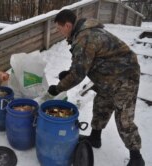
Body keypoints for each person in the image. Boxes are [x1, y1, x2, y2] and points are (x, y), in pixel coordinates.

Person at [48, 9, 145, 166]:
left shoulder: (85, 37)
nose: (59, 33)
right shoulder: (81, 34)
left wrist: (58, 88)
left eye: (59, 29)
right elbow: (83, 63)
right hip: (108, 76)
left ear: (67, 25)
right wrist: (69, 72)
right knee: (101, 105)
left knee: (123, 119)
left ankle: (136, 158)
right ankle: (95, 137)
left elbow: (78, 74)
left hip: (125, 76)